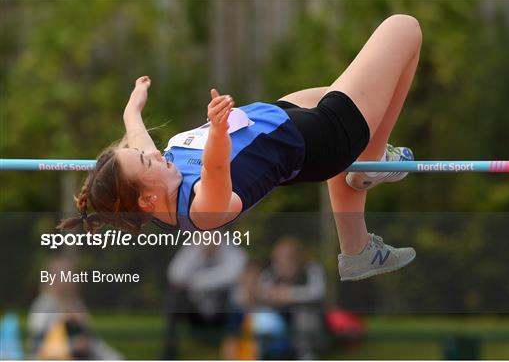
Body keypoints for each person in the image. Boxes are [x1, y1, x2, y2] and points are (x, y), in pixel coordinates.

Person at [58, 14, 421, 281]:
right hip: (321, 138)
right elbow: (216, 170)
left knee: (351, 87)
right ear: (146, 201)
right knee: (404, 29)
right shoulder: (202, 210)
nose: (153, 153)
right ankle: (371, 159)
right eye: (144, 161)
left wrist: (133, 107)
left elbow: (137, 139)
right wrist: (217, 130)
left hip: (284, 119)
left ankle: (356, 250)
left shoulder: (157, 180)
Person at [162, 242, 246, 359]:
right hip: (197, 315)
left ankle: (229, 345)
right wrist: (198, 252)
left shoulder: (233, 252)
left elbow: (232, 275)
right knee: (175, 295)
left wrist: (195, 282)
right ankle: (169, 351)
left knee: (232, 294)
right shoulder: (194, 250)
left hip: (221, 316)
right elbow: (175, 275)